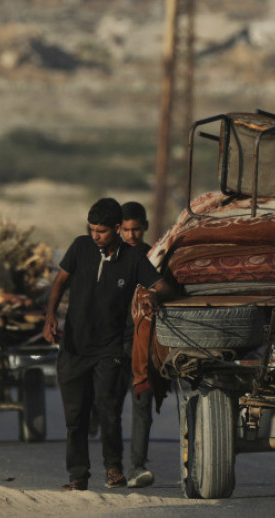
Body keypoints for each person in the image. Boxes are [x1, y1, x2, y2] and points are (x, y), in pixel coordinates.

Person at [43, 198, 174, 492]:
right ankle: (78, 476)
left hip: (110, 350)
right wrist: (50, 316)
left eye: (101, 231)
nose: (95, 236)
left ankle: (113, 468)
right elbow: (60, 281)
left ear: (116, 229)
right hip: (74, 347)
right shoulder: (80, 247)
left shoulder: (133, 259)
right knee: (75, 417)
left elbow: (163, 286)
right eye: (91, 229)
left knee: (108, 411)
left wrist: (155, 296)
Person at [118, 201, 157, 489]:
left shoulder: (153, 257)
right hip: (112, 343)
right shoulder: (109, 259)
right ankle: (112, 466)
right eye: (126, 230)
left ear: (144, 227)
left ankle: (137, 466)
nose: (132, 235)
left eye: (136, 230)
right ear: (119, 229)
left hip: (142, 344)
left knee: (142, 405)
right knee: (107, 404)